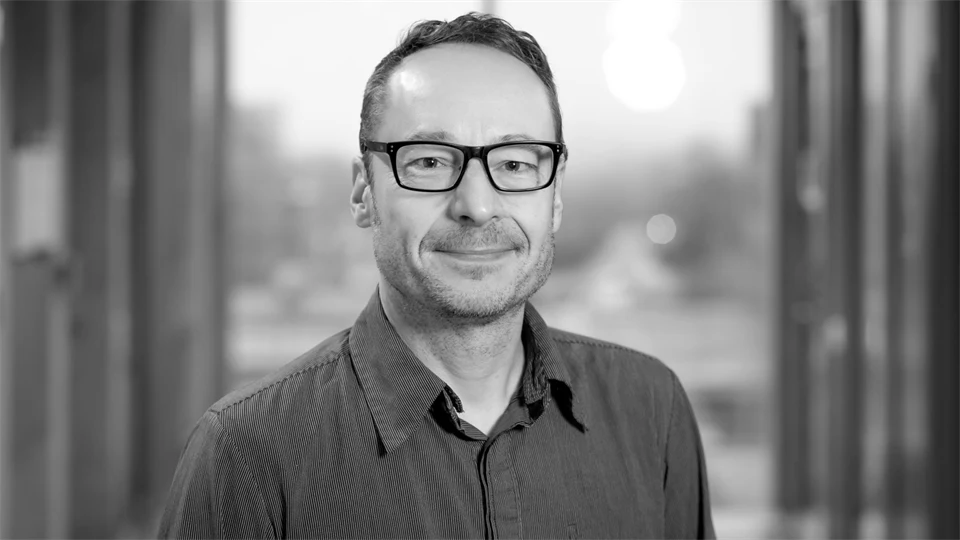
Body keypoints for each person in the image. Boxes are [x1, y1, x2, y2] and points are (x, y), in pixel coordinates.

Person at [159, 12, 715, 540]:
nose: (476, 204)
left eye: (515, 163)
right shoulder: (247, 452)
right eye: (429, 161)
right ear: (363, 192)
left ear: (556, 193)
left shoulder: (652, 408)